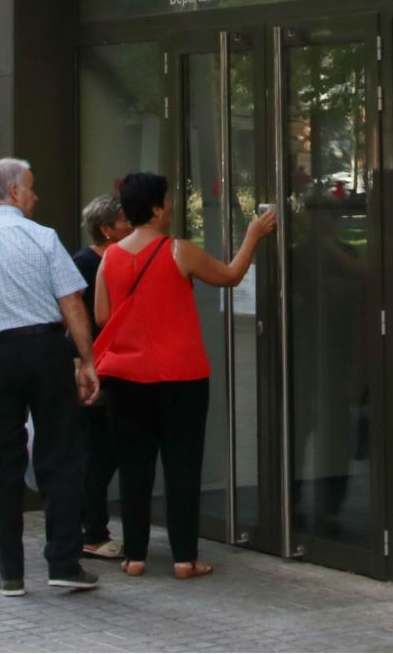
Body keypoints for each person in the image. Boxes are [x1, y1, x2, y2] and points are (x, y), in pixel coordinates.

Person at [92, 172, 275, 579]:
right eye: (169, 200)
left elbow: (104, 317)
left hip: (125, 376)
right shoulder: (179, 251)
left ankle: (135, 556)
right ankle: (184, 558)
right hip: (181, 376)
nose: (172, 206)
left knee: (134, 466)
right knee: (182, 466)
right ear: (156, 208)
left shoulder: (110, 257)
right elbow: (230, 276)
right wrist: (253, 236)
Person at [0, 158, 102, 598]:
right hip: (45, 350)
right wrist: (86, 360)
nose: (35, 196)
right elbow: (72, 305)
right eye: (30, 188)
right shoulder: (43, 238)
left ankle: (10, 573)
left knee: (3, 466)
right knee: (60, 457)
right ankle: (64, 563)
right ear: (13, 193)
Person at [72, 193, 130, 560]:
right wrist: (80, 363)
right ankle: (91, 532)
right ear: (107, 229)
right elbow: (71, 316)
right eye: (125, 221)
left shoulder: (117, 260)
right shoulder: (84, 264)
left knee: (104, 451)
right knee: (98, 452)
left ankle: (89, 528)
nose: (131, 226)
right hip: (96, 369)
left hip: (114, 366)